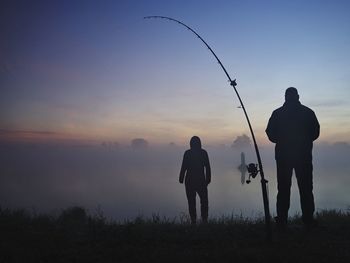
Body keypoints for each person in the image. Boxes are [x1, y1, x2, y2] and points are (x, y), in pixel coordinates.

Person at [266, 87, 320, 229]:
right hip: (304, 157)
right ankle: (308, 220)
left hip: (283, 157)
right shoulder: (308, 112)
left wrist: (281, 140)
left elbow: (270, 133)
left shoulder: (277, 113)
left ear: (285, 97)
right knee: (306, 188)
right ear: (297, 96)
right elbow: (315, 132)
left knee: (283, 189)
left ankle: (282, 221)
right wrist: (305, 140)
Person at [179, 136, 211, 224]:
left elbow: (183, 167)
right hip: (199, 181)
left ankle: (197, 220)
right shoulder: (203, 153)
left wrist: (181, 178)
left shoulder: (188, 153)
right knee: (202, 202)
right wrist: (208, 179)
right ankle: (202, 220)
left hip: (192, 181)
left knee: (193, 202)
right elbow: (207, 167)